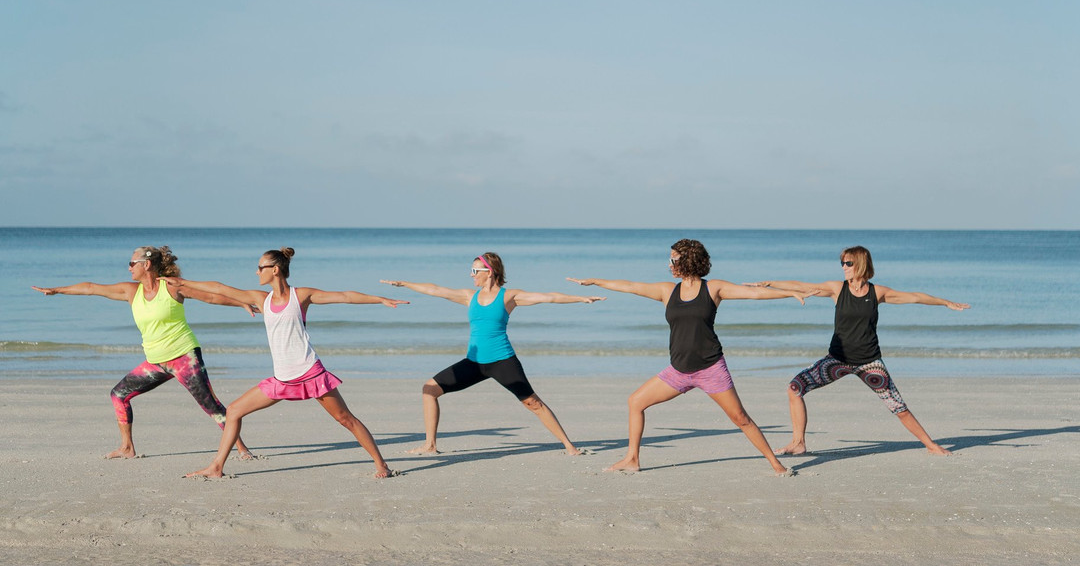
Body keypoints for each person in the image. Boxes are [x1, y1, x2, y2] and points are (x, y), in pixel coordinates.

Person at [568, 238, 809, 475]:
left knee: (741, 418)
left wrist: (788, 293)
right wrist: (596, 281)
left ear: (687, 261)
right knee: (635, 402)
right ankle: (632, 459)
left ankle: (776, 464)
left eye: (672, 259)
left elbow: (753, 294)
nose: (668, 264)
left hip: (710, 368)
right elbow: (631, 286)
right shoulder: (666, 291)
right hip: (678, 371)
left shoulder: (713, 288)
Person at [179, 247, 406, 479]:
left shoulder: (301, 296)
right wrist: (183, 283)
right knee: (234, 411)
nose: (257, 272)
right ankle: (216, 467)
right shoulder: (261, 299)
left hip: (310, 374)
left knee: (345, 418)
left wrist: (379, 299)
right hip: (282, 379)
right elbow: (220, 289)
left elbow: (344, 296)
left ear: (275, 270)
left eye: (260, 267)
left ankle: (382, 465)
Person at [33, 245, 254, 460]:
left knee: (210, 405)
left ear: (146, 264)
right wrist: (57, 290)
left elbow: (212, 297)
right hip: (156, 362)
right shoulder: (131, 291)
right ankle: (127, 447)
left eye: (132, 263)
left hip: (184, 357)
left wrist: (241, 303)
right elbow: (92, 288)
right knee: (118, 394)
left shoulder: (171, 287)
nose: (129, 268)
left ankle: (242, 449)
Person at [751, 245, 970, 457]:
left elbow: (914, 297)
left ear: (861, 264)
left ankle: (931, 445)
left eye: (848, 263)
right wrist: (771, 283)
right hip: (837, 361)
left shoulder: (877, 293)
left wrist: (945, 302)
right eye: (842, 263)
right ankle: (798, 443)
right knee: (795, 388)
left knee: (898, 407)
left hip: (869, 363)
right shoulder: (838, 289)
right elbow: (802, 285)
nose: (843, 267)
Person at [381, 252, 605, 456]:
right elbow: (436, 289)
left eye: (475, 271)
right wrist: (405, 284)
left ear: (489, 271)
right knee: (429, 390)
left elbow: (549, 297)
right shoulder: (470, 296)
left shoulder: (509, 296)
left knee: (533, 403)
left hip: (503, 361)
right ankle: (430, 444)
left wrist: (580, 298)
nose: (471, 275)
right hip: (474, 363)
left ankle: (569, 446)